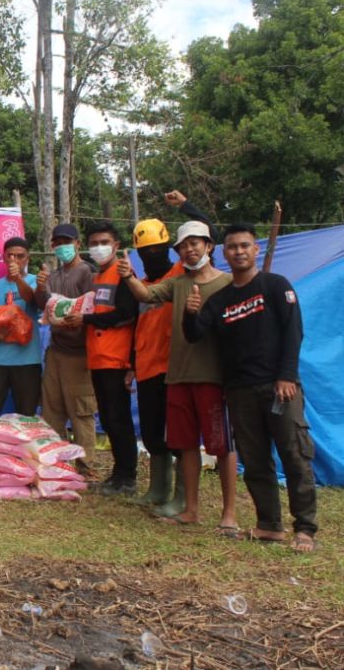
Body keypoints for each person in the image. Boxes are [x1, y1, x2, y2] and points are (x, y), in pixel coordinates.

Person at [184, 224, 317, 553]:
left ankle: (305, 529)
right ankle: (269, 525)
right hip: (240, 391)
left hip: (279, 388)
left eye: (245, 245)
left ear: (256, 250)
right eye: (232, 247)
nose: (239, 251)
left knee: (294, 455)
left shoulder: (275, 286)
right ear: (223, 253)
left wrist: (286, 376)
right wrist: (190, 314)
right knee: (255, 461)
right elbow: (194, 334)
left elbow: (293, 331)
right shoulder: (220, 300)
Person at [120, 219, 239, 536]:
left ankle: (229, 513)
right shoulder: (176, 284)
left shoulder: (227, 283)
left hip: (213, 376)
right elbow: (145, 294)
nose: (189, 250)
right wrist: (128, 275)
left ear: (209, 246)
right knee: (184, 443)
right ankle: (190, 508)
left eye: (195, 243)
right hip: (176, 375)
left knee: (221, 446)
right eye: (184, 246)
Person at [69, 221, 138, 495]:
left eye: (104, 242)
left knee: (119, 419)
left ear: (116, 245)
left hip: (116, 359)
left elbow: (125, 314)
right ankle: (117, 475)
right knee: (108, 419)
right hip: (97, 358)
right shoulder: (98, 278)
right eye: (94, 243)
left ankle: (128, 477)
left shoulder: (124, 275)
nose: (99, 247)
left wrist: (85, 319)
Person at [125, 218, 184, 509]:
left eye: (158, 249)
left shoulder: (181, 273)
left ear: (167, 247)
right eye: (146, 251)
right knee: (151, 432)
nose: (152, 255)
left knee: (178, 434)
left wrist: (185, 206)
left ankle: (182, 496)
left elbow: (209, 233)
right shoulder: (141, 286)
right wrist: (132, 366)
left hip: (174, 369)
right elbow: (138, 329)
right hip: (147, 369)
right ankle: (158, 489)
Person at [33, 223, 98, 477]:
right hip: (56, 349)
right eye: (58, 243)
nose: (62, 247)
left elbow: (94, 307)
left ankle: (86, 464)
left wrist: (81, 319)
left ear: (78, 244)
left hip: (80, 352)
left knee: (81, 411)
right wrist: (40, 288)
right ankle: (56, 460)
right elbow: (44, 306)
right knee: (52, 409)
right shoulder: (54, 276)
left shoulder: (87, 272)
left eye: (67, 242)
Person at [0, 237, 41, 417]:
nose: (14, 260)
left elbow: (32, 299)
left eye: (20, 256)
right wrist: (11, 331)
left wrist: (18, 279)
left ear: (27, 258)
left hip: (28, 361)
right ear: (3, 258)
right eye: (10, 256)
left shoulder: (37, 281)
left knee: (26, 416)